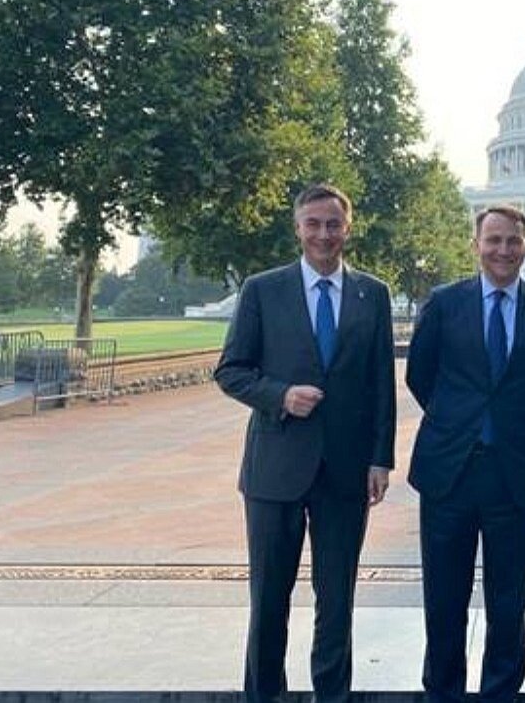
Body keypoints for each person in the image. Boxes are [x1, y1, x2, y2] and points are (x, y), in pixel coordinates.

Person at [214, 183, 396, 703]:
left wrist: (381, 459)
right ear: (297, 228)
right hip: (275, 469)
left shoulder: (373, 294)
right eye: (313, 224)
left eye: (333, 224)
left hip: (345, 472)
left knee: (336, 602)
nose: (323, 234)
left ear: (348, 229)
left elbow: (381, 383)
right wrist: (280, 396)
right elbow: (231, 370)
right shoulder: (262, 290)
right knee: (269, 601)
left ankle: (331, 696)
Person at [406, 204, 525, 703]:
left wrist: (505, 426)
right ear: (476, 244)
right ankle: (443, 693)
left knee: (508, 600)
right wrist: (461, 422)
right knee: (443, 599)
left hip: (512, 475)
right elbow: (420, 375)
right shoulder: (444, 303)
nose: (503, 249)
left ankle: (501, 693)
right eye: (493, 240)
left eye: (512, 241)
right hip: (449, 472)